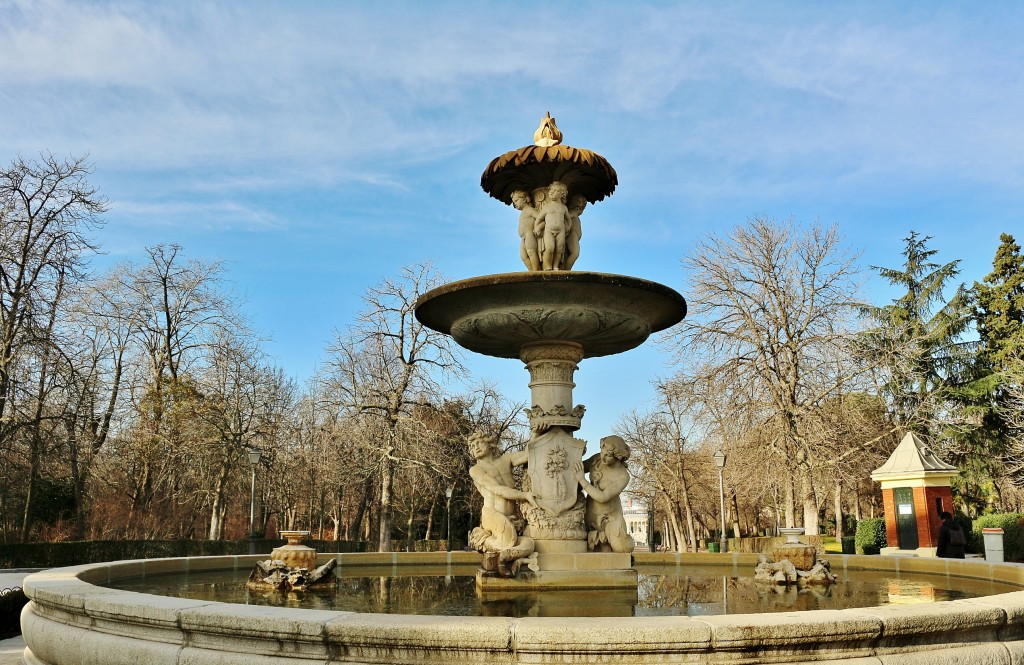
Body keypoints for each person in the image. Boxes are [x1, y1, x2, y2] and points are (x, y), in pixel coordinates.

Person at [467, 431, 537, 565]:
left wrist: (536, 433)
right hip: (492, 515)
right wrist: (524, 495)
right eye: (472, 446)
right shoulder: (476, 469)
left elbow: (529, 454)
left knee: (528, 543)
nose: (475, 447)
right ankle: (482, 539)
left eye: (478, 443)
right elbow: (497, 489)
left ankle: (507, 556)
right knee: (506, 541)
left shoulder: (506, 459)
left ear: (489, 443)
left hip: (511, 517)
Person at [573, 435, 635, 553]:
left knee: (621, 549)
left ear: (618, 457)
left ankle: (626, 542)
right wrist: (577, 453)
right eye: (602, 452)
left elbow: (603, 497)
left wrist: (582, 480)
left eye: (608, 455)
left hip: (610, 519)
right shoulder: (597, 460)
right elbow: (578, 467)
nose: (603, 457)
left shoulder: (623, 476)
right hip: (590, 515)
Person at [537, 181, 570, 270]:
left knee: (559, 250)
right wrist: (537, 227)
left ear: (562, 194)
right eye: (551, 190)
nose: (551, 192)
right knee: (550, 248)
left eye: (555, 190)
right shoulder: (547, 206)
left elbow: (568, 219)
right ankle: (547, 266)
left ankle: (555, 266)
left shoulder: (563, 207)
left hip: (561, 231)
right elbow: (539, 218)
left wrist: (568, 227)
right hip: (549, 230)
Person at [511, 190, 541, 271]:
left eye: (516, 201)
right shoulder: (523, 212)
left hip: (529, 234)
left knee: (531, 252)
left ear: (524, 199)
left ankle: (535, 270)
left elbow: (541, 218)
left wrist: (539, 227)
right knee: (523, 256)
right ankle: (532, 270)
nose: (515, 204)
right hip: (523, 237)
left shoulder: (529, 210)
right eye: (514, 202)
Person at [564, 194, 586, 270]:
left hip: (574, 236)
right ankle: (566, 270)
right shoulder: (573, 212)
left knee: (573, 254)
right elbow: (566, 217)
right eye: (581, 207)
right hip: (572, 235)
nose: (581, 210)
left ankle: (566, 269)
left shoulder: (575, 214)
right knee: (575, 253)